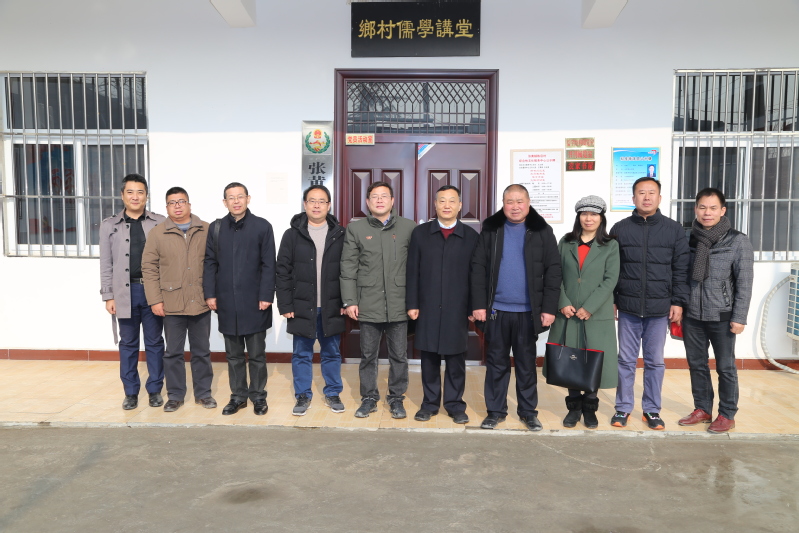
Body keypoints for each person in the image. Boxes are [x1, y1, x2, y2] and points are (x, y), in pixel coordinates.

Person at [471, 184, 562, 431]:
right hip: (496, 311)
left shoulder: (542, 230)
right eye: (509, 201)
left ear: (528, 203)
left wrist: (549, 308)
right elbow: (478, 267)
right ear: (503, 204)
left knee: (526, 365)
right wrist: (478, 304)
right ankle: (495, 412)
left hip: (528, 312)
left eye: (519, 201)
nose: (515, 206)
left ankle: (528, 412)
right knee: (496, 364)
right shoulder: (491, 229)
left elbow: (553, 270)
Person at [611, 177, 690, 430]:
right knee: (626, 360)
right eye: (641, 193)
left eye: (651, 193)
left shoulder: (673, 229)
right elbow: (612, 269)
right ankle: (623, 408)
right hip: (628, 307)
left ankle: (652, 410)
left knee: (655, 362)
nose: (647, 197)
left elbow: (681, 269)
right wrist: (613, 299)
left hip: (659, 308)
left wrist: (678, 301)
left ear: (659, 197)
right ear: (633, 198)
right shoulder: (620, 229)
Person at [678, 188, 753, 434]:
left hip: (722, 314)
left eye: (712, 208)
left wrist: (739, 317)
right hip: (692, 315)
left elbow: (744, 282)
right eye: (702, 207)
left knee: (725, 367)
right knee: (697, 365)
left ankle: (727, 414)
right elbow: (680, 274)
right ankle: (702, 408)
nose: (707, 213)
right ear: (695, 209)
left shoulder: (737, 240)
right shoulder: (688, 238)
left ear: (722, 210)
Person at [340, 181, 416, 419]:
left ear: (392, 201)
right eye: (375, 196)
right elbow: (348, 267)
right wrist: (350, 300)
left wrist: (415, 302)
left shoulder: (409, 227)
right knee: (368, 356)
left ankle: (396, 398)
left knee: (399, 356)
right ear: (367, 202)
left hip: (399, 302)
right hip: (368, 302)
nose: (380, 200)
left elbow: (417, 267)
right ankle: (369, 398)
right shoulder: (356, 229)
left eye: (384, 196)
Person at [406, 185, 479, 425]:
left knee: (456, 359)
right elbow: (412, 271)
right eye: (442, 201)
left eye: (452, 201)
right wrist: (412, 303)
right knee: (428, 358)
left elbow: (476, 275)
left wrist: (474, 306)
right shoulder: (420, 234)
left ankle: (455, 405)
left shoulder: (471, 237)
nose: (447, 205)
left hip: (457, 308)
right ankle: (429, 404)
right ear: (435, 205)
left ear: (460, 205)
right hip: (427, 306)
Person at [546, 196, 619, 429]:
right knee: (571, 360)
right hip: (568, 313)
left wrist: (589, 307)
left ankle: (590, 410)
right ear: (578, 217)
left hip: (595, 315)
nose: (589, 218)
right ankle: (573, 409)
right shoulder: (566, 242)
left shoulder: (611, 245)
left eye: (594, 214)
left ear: (601, 218)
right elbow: (554, 274)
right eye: (584, 214)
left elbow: (610, 280)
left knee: (592, 361)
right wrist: (562, 302)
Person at [203, 182, 276, 416]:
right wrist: (210, 293)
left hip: (255, 302)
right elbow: (210, 263)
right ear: (224, 202)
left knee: (257, 355)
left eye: (240, 196)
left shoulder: (262, 226)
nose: (236, 201)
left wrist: (266, 295)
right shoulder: (216, 228)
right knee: (233, 355)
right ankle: (238, 396)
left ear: (248, 199)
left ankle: (258, 396)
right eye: (231, 198)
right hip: (226, 301)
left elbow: (269, 264)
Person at [141, 187, 216, 412]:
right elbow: (149, 268)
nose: (177, 206)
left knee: (201, 351)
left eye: (181, 201)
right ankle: (175, 395)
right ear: (166, 207)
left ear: (189, 204)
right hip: (171, 303)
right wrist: (155, 300)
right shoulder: (157, 233)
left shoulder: (206, 229)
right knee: (173, 352)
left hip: (200, 301)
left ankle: (203, 393)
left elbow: (215, 264)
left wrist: (213, 294)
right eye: (172, 202)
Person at [276, 185, 347, 416]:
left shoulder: (341, 234)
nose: (317, 205)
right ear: (305, 204)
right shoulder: (292, 235)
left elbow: (349, 271)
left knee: (332, 353)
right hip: (301, 305)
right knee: (301, 354)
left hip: (332, 305)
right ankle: (303, 395)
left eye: (322, 201)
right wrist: (285, 304)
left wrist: (347, 301)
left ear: (329, 205)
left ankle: (333, 392)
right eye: (312, 201)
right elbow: (282, 272)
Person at [99, 173, 166, 410]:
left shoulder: (159, 222)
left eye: (140, 192)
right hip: (124, 294)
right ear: (122, 195)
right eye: (130, 192)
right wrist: (108, 295)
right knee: (128, 343)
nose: (135, 197)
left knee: (155, 342)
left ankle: (155, 389)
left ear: (146, 196)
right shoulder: (109, 225)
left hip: (153, 293)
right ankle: (130, 392)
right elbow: (106, 263)